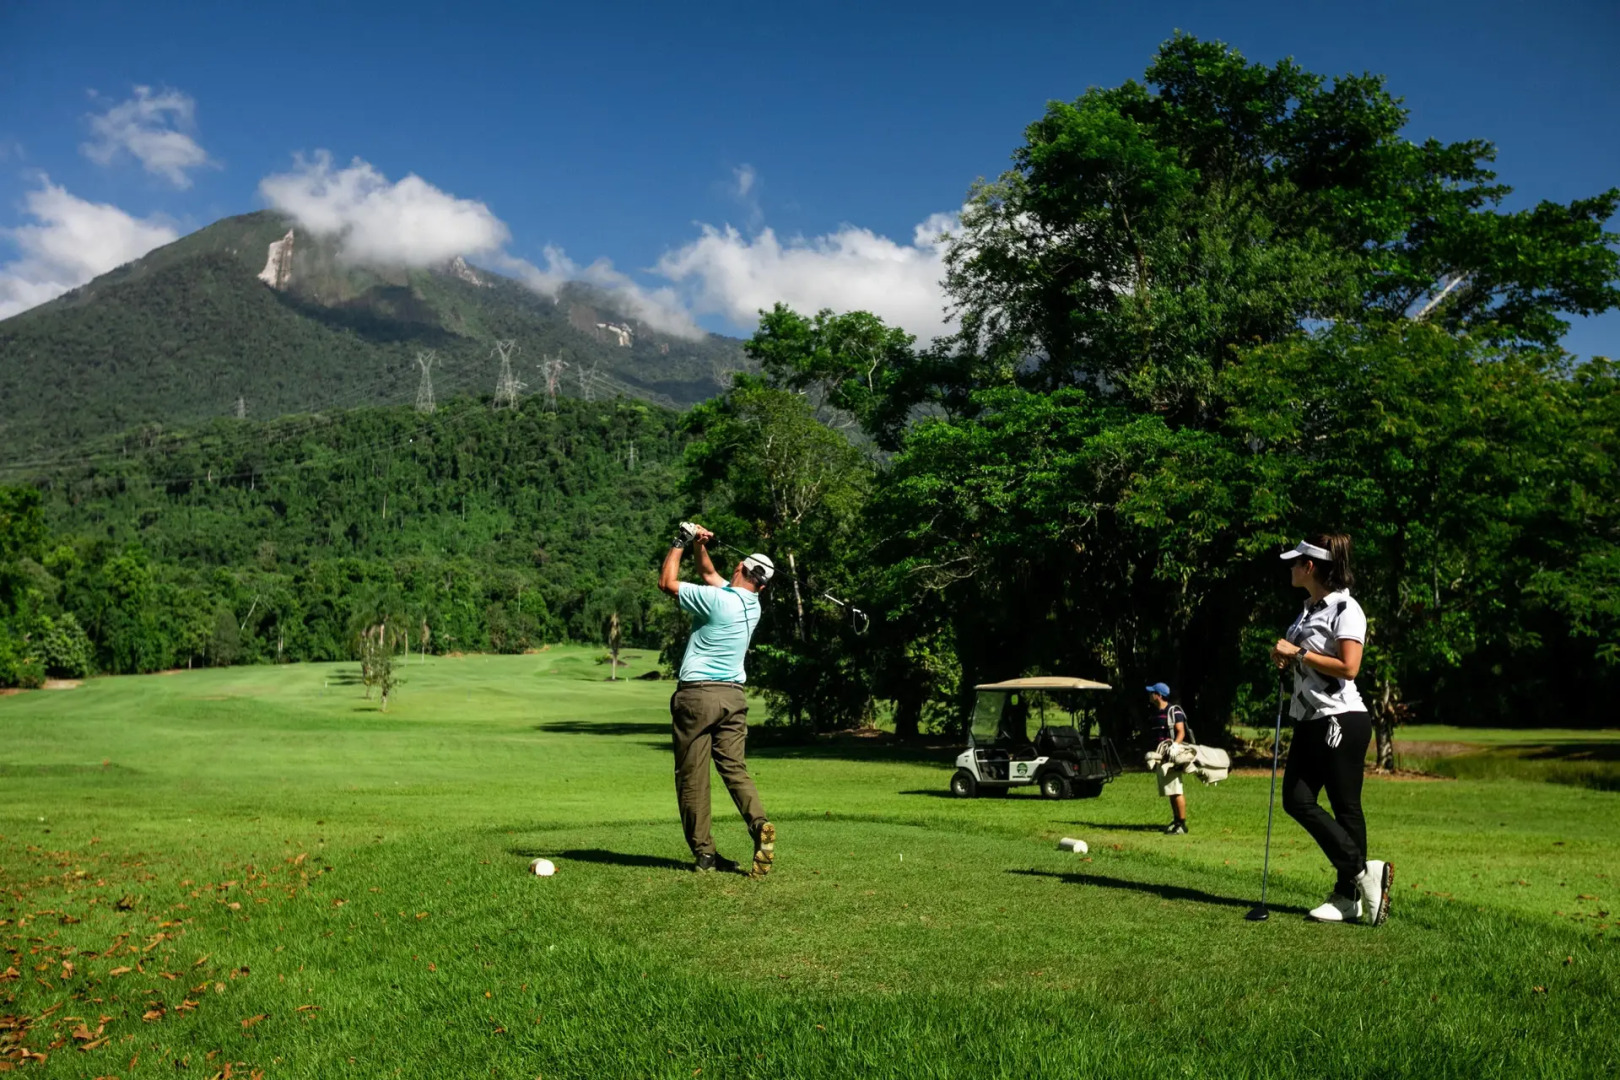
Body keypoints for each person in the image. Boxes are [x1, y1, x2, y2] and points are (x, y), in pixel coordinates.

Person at [1270, 533, 1391, 926]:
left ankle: (1348, 892)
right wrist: (1286, 659)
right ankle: (1361, 876)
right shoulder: (1307, 610)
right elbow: (1307, 659)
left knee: (1344, 806)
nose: (1290, 567)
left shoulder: (1346, 608)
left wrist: (1299, 653)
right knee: (1296, 799)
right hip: (1309, 719)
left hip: (1341, 718)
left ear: (1311, 567)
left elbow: (1349, 667)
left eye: (1295, 562)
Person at [657, 521, 777, 877]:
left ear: (740, 568)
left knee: (692, 776)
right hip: (734, 699)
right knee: (734, 769)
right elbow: (709, 573)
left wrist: (680, 540)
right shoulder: (750, 605)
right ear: (763, 584)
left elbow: (667, 582)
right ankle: (759, 825)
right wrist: (700, 544)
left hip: (697, 697)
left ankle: (705, 855)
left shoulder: (716, 601)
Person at [1145, 682, 1190, 834]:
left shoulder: (1174, 711)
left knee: (1176, 789)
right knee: (1170, 790)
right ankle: (1176, 820)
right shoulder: (1155, 712)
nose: (1150, 695)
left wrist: (1175, 745)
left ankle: (1182, 824)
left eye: (1152, 693)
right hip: (1161, 756)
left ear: (1158, 695)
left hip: (1172, 756)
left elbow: (1181, 731)